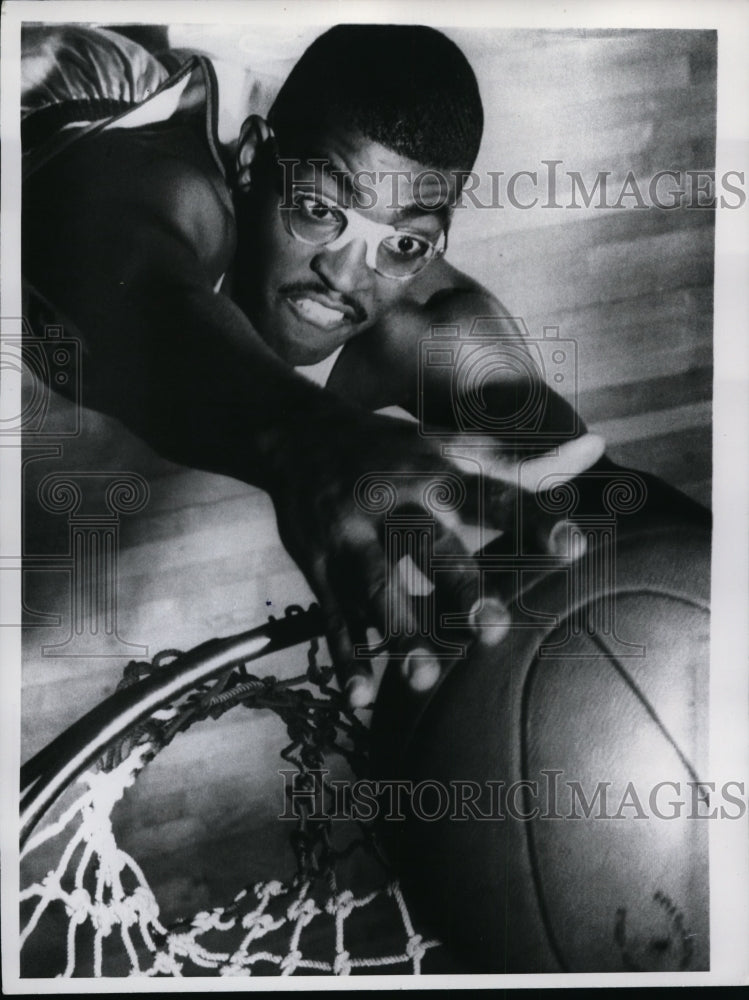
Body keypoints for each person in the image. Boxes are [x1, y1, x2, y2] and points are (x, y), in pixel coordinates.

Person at [21, 23, 606, 707]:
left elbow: (599, 500)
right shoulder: (162, 190)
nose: (344, 274)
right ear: (249, 163)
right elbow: (140, 292)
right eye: (321, 210)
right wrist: (307, 435)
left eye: (405, 244)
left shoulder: (430, 326)